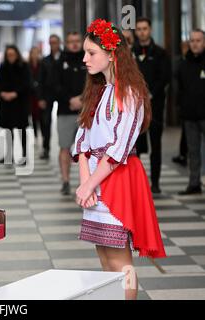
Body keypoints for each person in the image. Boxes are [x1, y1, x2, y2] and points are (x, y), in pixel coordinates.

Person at [72, 19, 166, 300]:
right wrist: (85, 182)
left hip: (118, 179)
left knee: (120, 262)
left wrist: (89, 185)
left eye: (91, 53)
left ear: (112, 54)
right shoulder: (100, 91)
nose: (85, 58)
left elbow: (118, 149)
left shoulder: (131, 93)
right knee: (104, 257)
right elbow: (82, 143)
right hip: (96, 178)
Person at [133, 17, 171, 194]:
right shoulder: (129, 53)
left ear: (150, 30)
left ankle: (155, 182)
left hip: (155, 105)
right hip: (134, 107)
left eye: (144, 28)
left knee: (156, 145)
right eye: (139, 29)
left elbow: (165, 77)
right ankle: (137, 183)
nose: (141, 32)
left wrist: (150, 93)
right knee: (136, 146)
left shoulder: (161, 53)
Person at [55, 31, 87, 196]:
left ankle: (86, 181)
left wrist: (82, 99)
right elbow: (55, 84)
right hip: (65, 110)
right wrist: (70, 100)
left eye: (77, 41)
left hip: (86, 111)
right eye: (71, 41)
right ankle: (65, 181)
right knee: (64, 147)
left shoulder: (88, 58)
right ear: (66, 43)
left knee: (87, 149)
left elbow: (95, 82)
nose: (74, 44)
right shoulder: (60, 61)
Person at [177, 29, 205, 195]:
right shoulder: (183, 63)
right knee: (193, 151)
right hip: (189, 115)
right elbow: (180, 88)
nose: (194, 43)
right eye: (192, 40)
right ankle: (194, 183)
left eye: (198, 40)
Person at [0, 45, 31, 166]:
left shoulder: (24, 66)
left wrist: (15, 93)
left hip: (19, 103)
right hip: (6, 103)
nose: (11, 57)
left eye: (13, 54)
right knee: (8, 131)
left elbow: (27, 83)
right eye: (8, 55)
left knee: (21, 130)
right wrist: (2, 93)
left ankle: (24, 155)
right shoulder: (3, 66)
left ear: (17, 55)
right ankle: (9, 155)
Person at [38, 34, 63, 160]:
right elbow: (40, 80)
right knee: (46, 121)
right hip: (48, 93)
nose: (54, 45)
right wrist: (41, 98)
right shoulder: (45, 60)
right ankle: (46, 147)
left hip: (63, 93)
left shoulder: (65, 58)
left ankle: (66, 147)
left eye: (55, 42)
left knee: (63, 119)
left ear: (60, 43)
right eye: (51, 42)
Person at [28, 47, 42, 140]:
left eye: (36, 53)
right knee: (33, 116)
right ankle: (35, 136)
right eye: (33, 53)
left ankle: (41, 135)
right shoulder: (27, 65)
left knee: (40, 116)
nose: (35, 55)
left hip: (39, 94)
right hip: (31, 94)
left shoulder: (42, 64)